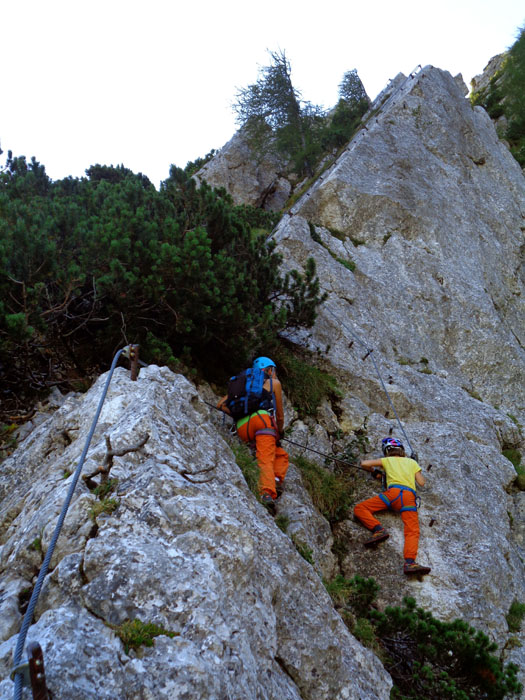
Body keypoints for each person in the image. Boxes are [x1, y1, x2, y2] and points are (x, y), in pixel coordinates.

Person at [217, 357, 289, 513]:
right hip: (263, 422)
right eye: (274, 370)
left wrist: (240, 416)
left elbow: (220, 405)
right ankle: (266, 493)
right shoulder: (273, 383)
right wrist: (280, 431)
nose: (275, 374)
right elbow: (280, 416)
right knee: (265, 458)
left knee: (280, 455)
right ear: (269, 369)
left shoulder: (244, 385)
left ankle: (274, 481)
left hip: (242, 427)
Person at [354, 437, 430, 575]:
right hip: (408, 498)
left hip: (392, 494)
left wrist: (375, 471)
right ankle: (410, 563)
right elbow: (422, 482)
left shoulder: (387, 461)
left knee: (360, 508)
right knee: (412, 531)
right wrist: (416, 467)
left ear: (387, 451)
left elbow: (364, 463)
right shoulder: (411, 462)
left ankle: (379, 529)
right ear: (402, 450)